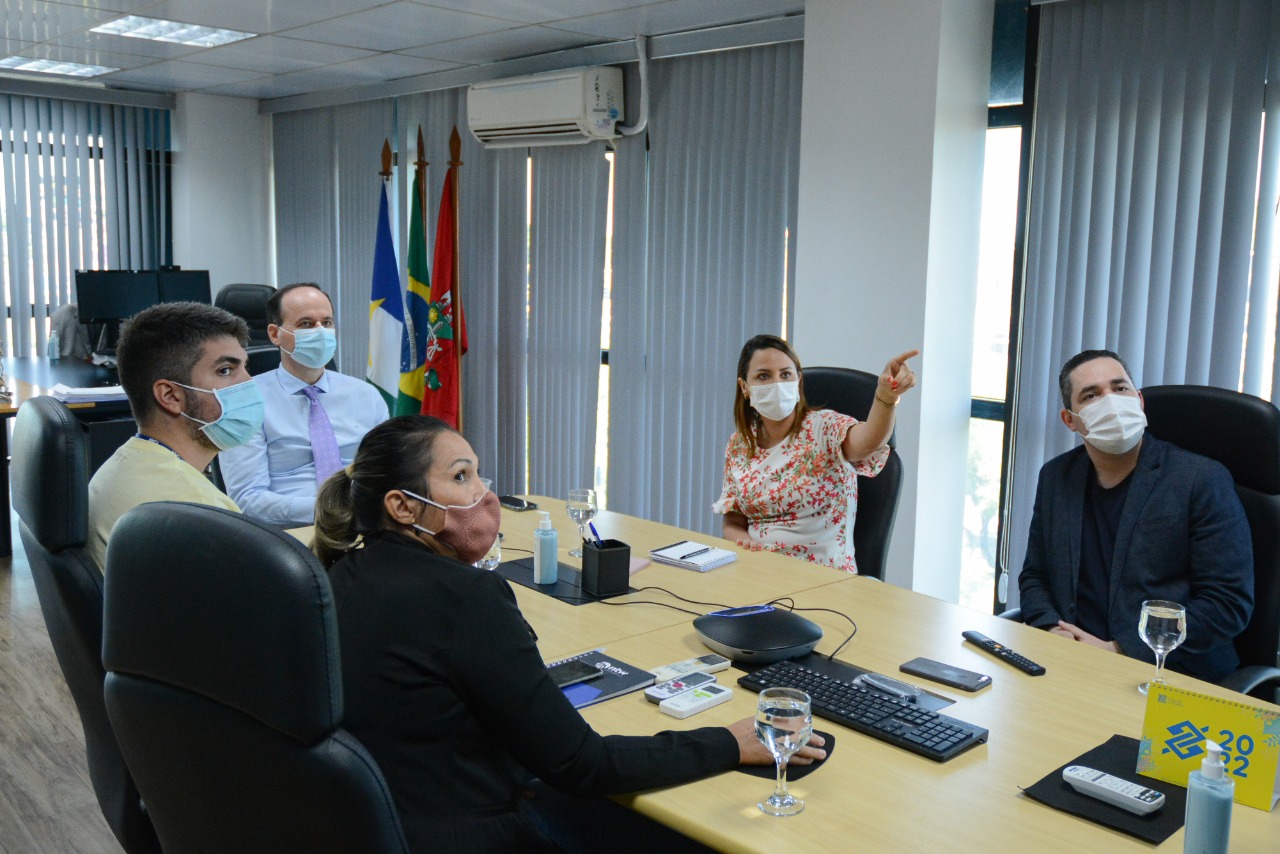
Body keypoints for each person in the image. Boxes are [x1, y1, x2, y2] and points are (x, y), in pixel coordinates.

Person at [313, 415, 826, 852]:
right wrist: (728, 743)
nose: (484, 494)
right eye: (462, 476)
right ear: (402, 507)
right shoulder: (465, 598)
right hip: (472, 834)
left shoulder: (338, 574)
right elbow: (583, 764)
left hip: (382, 824)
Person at [1018, 349, 1254, 682]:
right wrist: (1053, 632)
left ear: (1139, 401)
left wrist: (1121, 649)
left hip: (1169, 675)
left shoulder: (1200, 479)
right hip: (1074, 666)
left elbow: (1227, 604)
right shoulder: (1057, 477)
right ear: (1070, 420)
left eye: (1120, 388)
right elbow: (1036, 576)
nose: (1111, 401)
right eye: (1091, 395)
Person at [712, 335, 918, 574]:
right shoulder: (740, 444)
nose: (777, 383)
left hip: (821, 578)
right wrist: (741, 540)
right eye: (763, 376)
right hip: (758, 572)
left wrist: (886, 396)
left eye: (785, 374)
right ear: (745, 387)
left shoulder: (824, 428)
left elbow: (868, 442)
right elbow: (733, 520)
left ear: (798, 381)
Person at [87, 302, 261, 570]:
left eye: (245, 367)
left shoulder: (127, 463)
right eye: (226, 370)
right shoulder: (199, 509)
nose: (249, 383)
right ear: (170, 396)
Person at [219, 283, 388, 527]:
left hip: (365, 528)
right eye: (306, 324)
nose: (320, 331)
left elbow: (386, 473)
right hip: (289, 533)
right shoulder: (244, 401)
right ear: (275, 334)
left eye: (327, 323)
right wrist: (332, 511)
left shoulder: (366, 396)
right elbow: (247, 500)